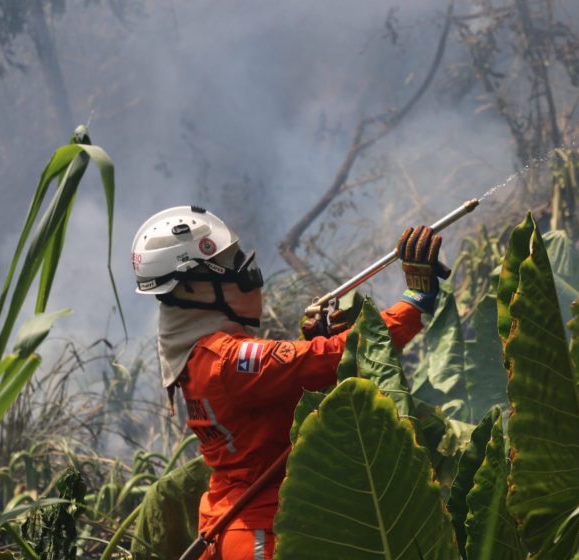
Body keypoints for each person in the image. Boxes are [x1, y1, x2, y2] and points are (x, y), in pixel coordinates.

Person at [131, 205, 446, 560]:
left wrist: (314, 337)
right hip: (262, 533)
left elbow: (279, 386)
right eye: (232, 266)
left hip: (230, 522)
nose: (246, 275)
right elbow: (337, 354)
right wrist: (415, 301)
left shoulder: (198, 356)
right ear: (193, 289)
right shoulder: (229, 360)